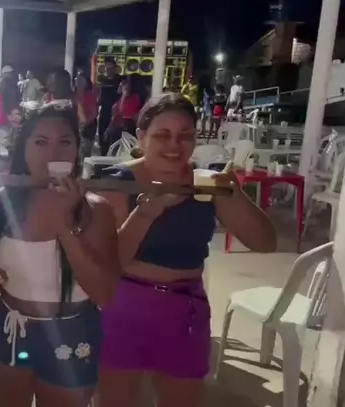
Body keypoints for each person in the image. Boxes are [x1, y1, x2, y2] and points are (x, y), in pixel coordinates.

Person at [96, 93, 276, 407]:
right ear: (141, 137)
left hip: (185, 311)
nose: (174, 146)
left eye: (185, 136)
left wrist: (234, 195)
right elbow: (107, 266)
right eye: (162, 135)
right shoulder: (120, 183)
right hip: (124, 308)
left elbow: (265, 242)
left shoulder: (207, 185)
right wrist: (146, 213)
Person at [0, 102, 119, 407]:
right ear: (23, 148)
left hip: (72, 334)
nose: (53, 153)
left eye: (64, 142)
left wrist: (65, 225)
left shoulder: (96, 210)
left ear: (77, 149)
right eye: (40, 142)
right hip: (9, 329)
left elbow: (105, 294)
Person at [103, 80, 141, 155]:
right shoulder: (118, 101)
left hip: (128, 125)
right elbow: (115, 115)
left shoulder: (134, 98)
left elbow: (125, 111)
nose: (120, 88)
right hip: (118, 126)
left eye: (122, 86)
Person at [96, 60, 124, 147]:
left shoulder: (121, 80)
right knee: (103, 141)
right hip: (104, 114)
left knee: (114, 142)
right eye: (107, 68)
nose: (108, 71)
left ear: (115, 69)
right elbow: (99, 98)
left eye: (111, 68)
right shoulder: (102, 80)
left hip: (116, 115)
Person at [75, 73, 98, 158]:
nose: (78, 82)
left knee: (85, 152)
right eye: (77, 80)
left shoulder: (90, 95)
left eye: (80, 80)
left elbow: (94, 113)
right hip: (77, 126)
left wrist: (85, 124)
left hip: (88, 126)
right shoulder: (74, 95)